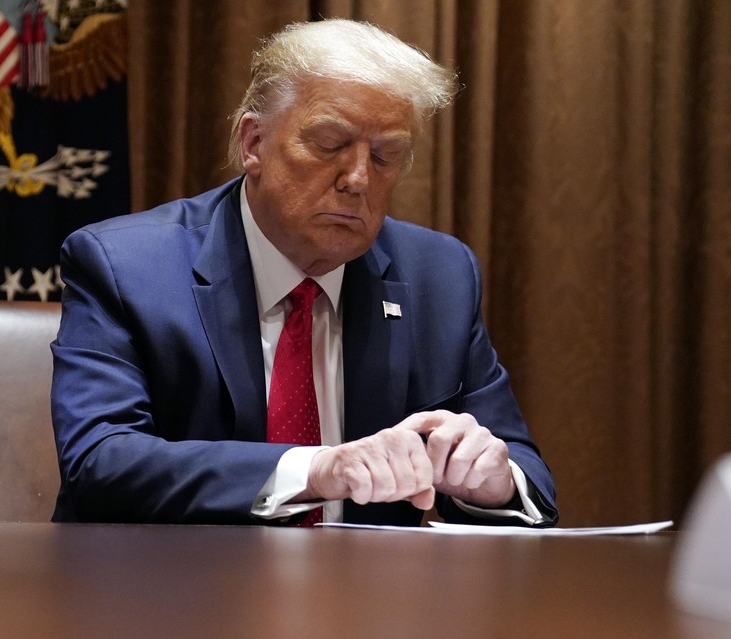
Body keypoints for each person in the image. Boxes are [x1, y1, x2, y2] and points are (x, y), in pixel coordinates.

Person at [50, 19, 558, 526]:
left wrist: (491, 482)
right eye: (329, 143)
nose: (358, 178)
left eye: (386, 156)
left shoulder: (438, 277)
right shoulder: (126, 266)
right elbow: (101, 461)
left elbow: (528, 475)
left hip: (370, 598)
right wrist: (314, 469)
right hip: (177, 591)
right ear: (253, 143)